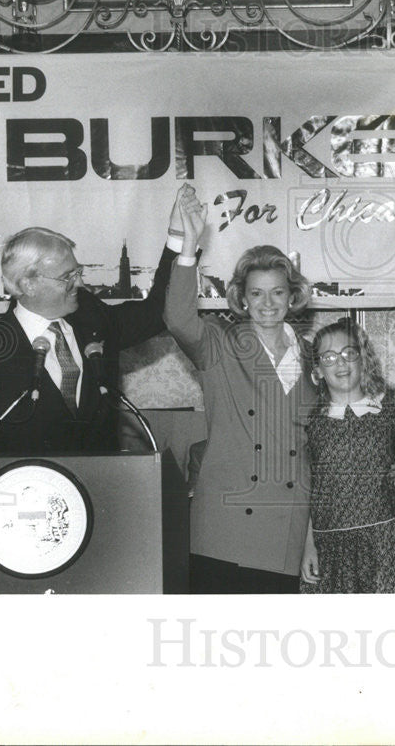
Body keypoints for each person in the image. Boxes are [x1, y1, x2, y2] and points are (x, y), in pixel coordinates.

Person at [0, 201, 181, 457]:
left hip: (101, 488)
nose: (80, 283)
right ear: (29, 285)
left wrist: (179, 239)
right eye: (68, 276)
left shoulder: (92, 318)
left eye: (78, 272)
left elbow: (156, 312)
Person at [164, 185, 316, 594]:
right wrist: (189, 244)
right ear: (242, 299)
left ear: (292, 296)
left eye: (278, 292)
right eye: (256, 294)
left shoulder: (315, 359)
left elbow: (315, 460)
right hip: (223, 529)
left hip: (286, 528)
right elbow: (178, 319)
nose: (268, 303)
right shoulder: (219, 345)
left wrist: (311, 538)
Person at [299, 318, 395, 594]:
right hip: (330, 550)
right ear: (317, 372)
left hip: (388, 547)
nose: (341, 362)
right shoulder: (308, 422)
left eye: (349, 353)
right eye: (329, 356)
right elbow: (310, 490)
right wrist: (308, 545)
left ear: (363, 360)